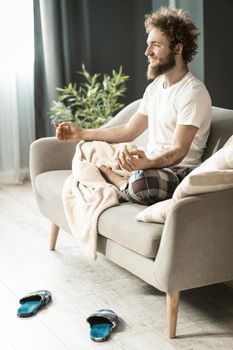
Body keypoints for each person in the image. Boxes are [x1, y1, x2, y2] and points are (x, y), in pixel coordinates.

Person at [56, 7, 211, 205]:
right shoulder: (155, 88)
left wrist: (148, 163)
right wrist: (81, 133)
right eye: (148, 45)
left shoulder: (192, 92)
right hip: (149, 165)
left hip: (177, 171)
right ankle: (119, 177)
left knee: (142, 184)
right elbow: (128, 130)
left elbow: (179, 150)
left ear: (177, 49)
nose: (147, 52)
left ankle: (116, 180)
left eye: (155, 45)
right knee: (87, 149)